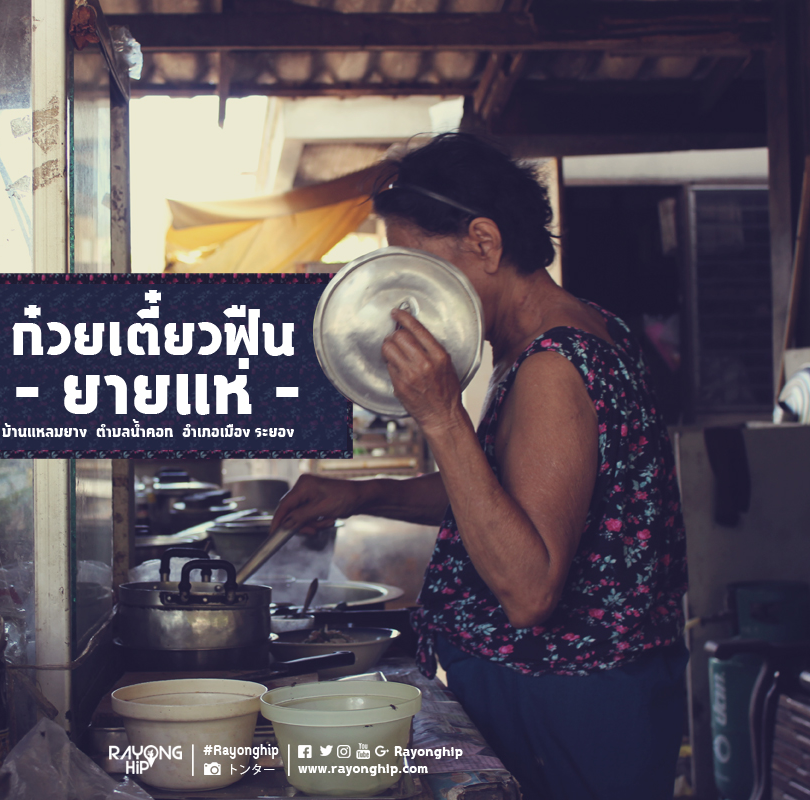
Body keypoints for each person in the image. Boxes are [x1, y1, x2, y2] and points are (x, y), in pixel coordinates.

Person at [270, 132, 688, 800]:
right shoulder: (563, 335)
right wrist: (362, 494)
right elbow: (501, 497)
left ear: (486, 243)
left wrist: (442, 415)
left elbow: (530, 590)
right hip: (571, 701)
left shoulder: (555, 364)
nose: (401, 301)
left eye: (414, 266)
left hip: (571, 711)